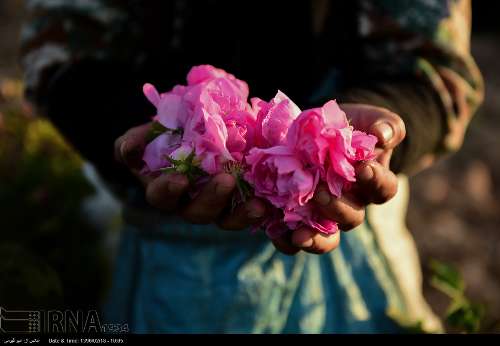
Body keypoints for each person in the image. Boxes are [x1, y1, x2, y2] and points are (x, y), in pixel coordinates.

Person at [21, 0, 483, 333]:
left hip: (351, 241)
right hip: (161, 235)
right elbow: (61, 49)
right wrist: (141, 130)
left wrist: (366, 135)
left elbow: (435, 71)